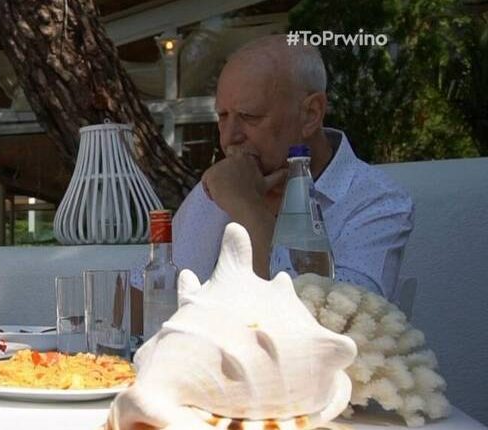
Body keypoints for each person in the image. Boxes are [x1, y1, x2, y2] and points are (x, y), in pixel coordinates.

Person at [171, 35, 414, 299]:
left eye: (249, 116)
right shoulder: (221, 186)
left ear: (310, 114)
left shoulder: (376, 201)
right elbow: (150, 295)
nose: (229, 137)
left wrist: (248, 207)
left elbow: (338, 316)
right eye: (222, 116)